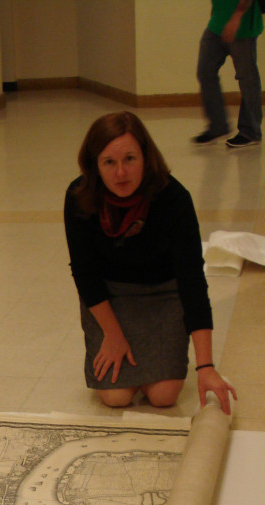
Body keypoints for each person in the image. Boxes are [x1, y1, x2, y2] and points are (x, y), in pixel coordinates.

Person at [64, 111, 237, 414]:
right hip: (109, 298)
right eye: (109, 162)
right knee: (116, 397)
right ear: (94, 166)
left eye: (129, 159)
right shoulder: (79, 197)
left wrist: (206, 366)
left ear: (146, 157)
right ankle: (121, 345)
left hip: (164, 295)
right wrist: (113, 335)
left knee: (164, 395)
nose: (121, 173)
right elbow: (85, 273)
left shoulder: (173, 199)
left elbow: (192, 281)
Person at [193, 0, 263, 148]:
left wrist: (236, 16)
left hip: (242, 26)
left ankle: (251, 131)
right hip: (217, 23)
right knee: (205, 71)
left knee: (247, 77)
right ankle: (218, 126)